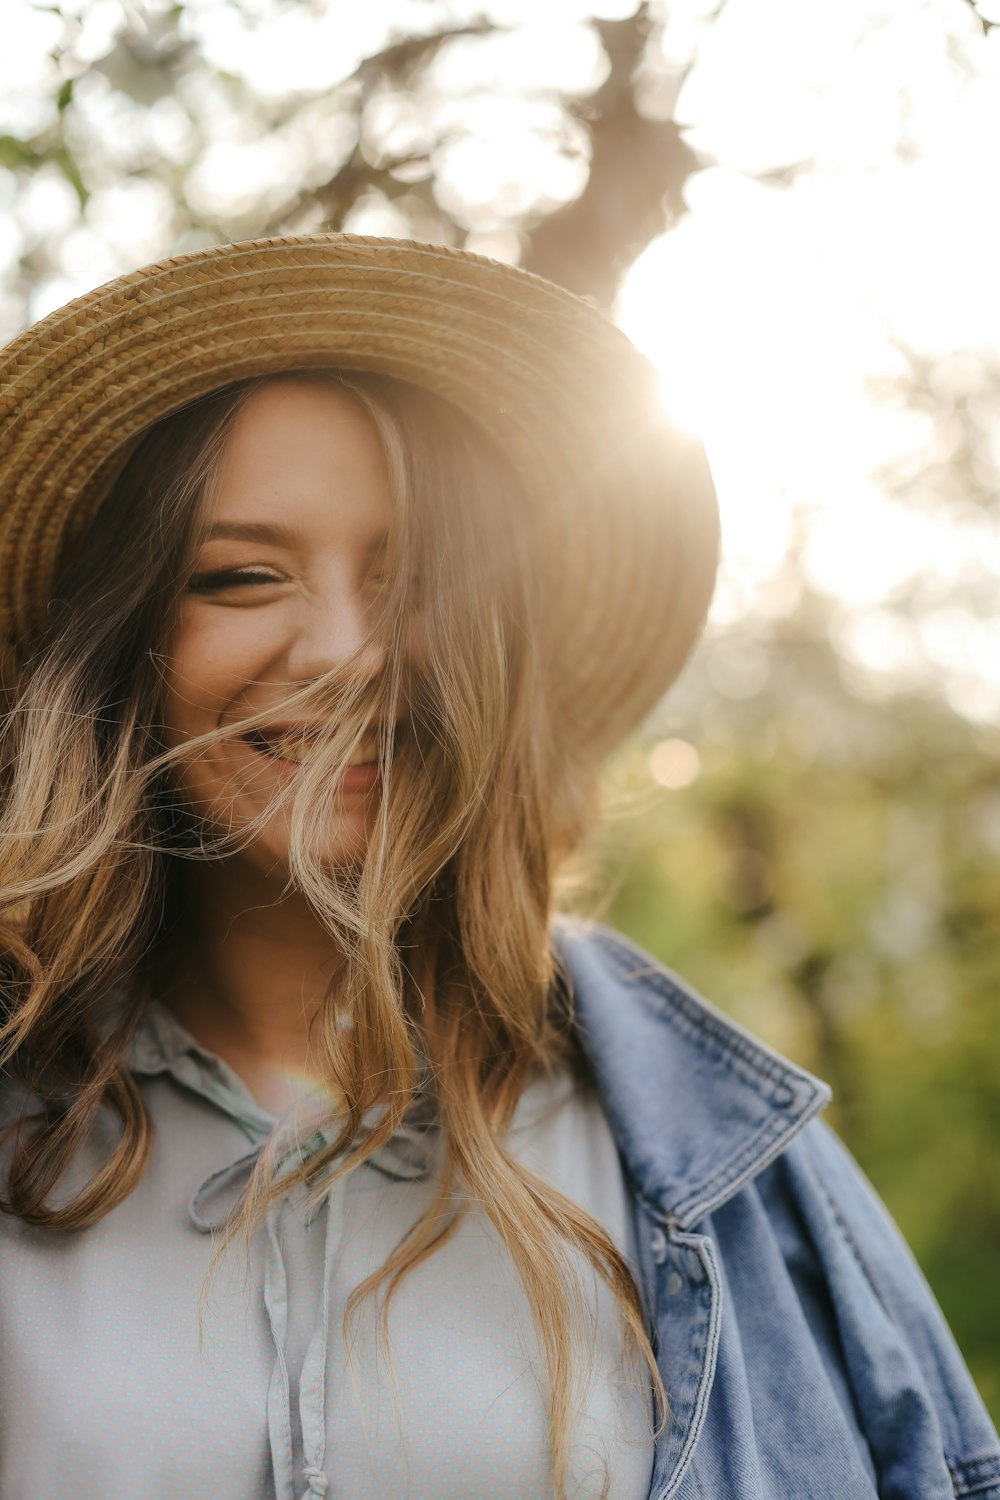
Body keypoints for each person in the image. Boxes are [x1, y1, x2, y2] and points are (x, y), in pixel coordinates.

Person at [0, 234, 995, 1500]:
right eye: (242, 575)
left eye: (413, 576)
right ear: (122, 641)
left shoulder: (730, 1166)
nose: (347, 652)